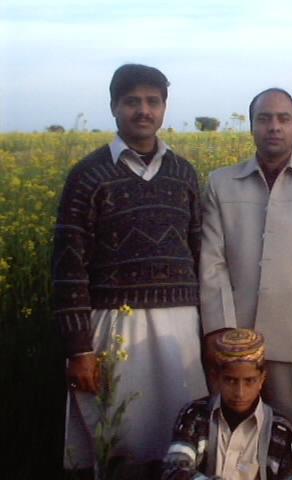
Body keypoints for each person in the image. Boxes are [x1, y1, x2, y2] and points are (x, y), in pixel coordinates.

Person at [53, 64, 208, 477]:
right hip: (113, 328)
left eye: (153, 101)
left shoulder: (184, 173)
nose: (143, 111)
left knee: (182, 438)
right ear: (113, 107)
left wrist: (207, 330)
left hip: (179, 328)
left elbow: (200, 254)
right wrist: (79, 348)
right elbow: (68, 266)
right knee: (118, 439)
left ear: (164, 108)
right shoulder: (88, 175)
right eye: (132, 101)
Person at [199, 87, 292, 477]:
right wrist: (219, 329)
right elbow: (212, 263)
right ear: (251, 126)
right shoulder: (221, 184)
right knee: (230, 441)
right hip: (235, 340)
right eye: (264, 118)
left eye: (283, 119)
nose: (274, 127)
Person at [162, 328, 292, 480]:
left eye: (249, 381)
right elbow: (173, 469)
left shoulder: (280, 430)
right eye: (230, 380)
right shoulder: (195, 415)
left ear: (262, 380)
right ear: (216, 377)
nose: (240, 392)